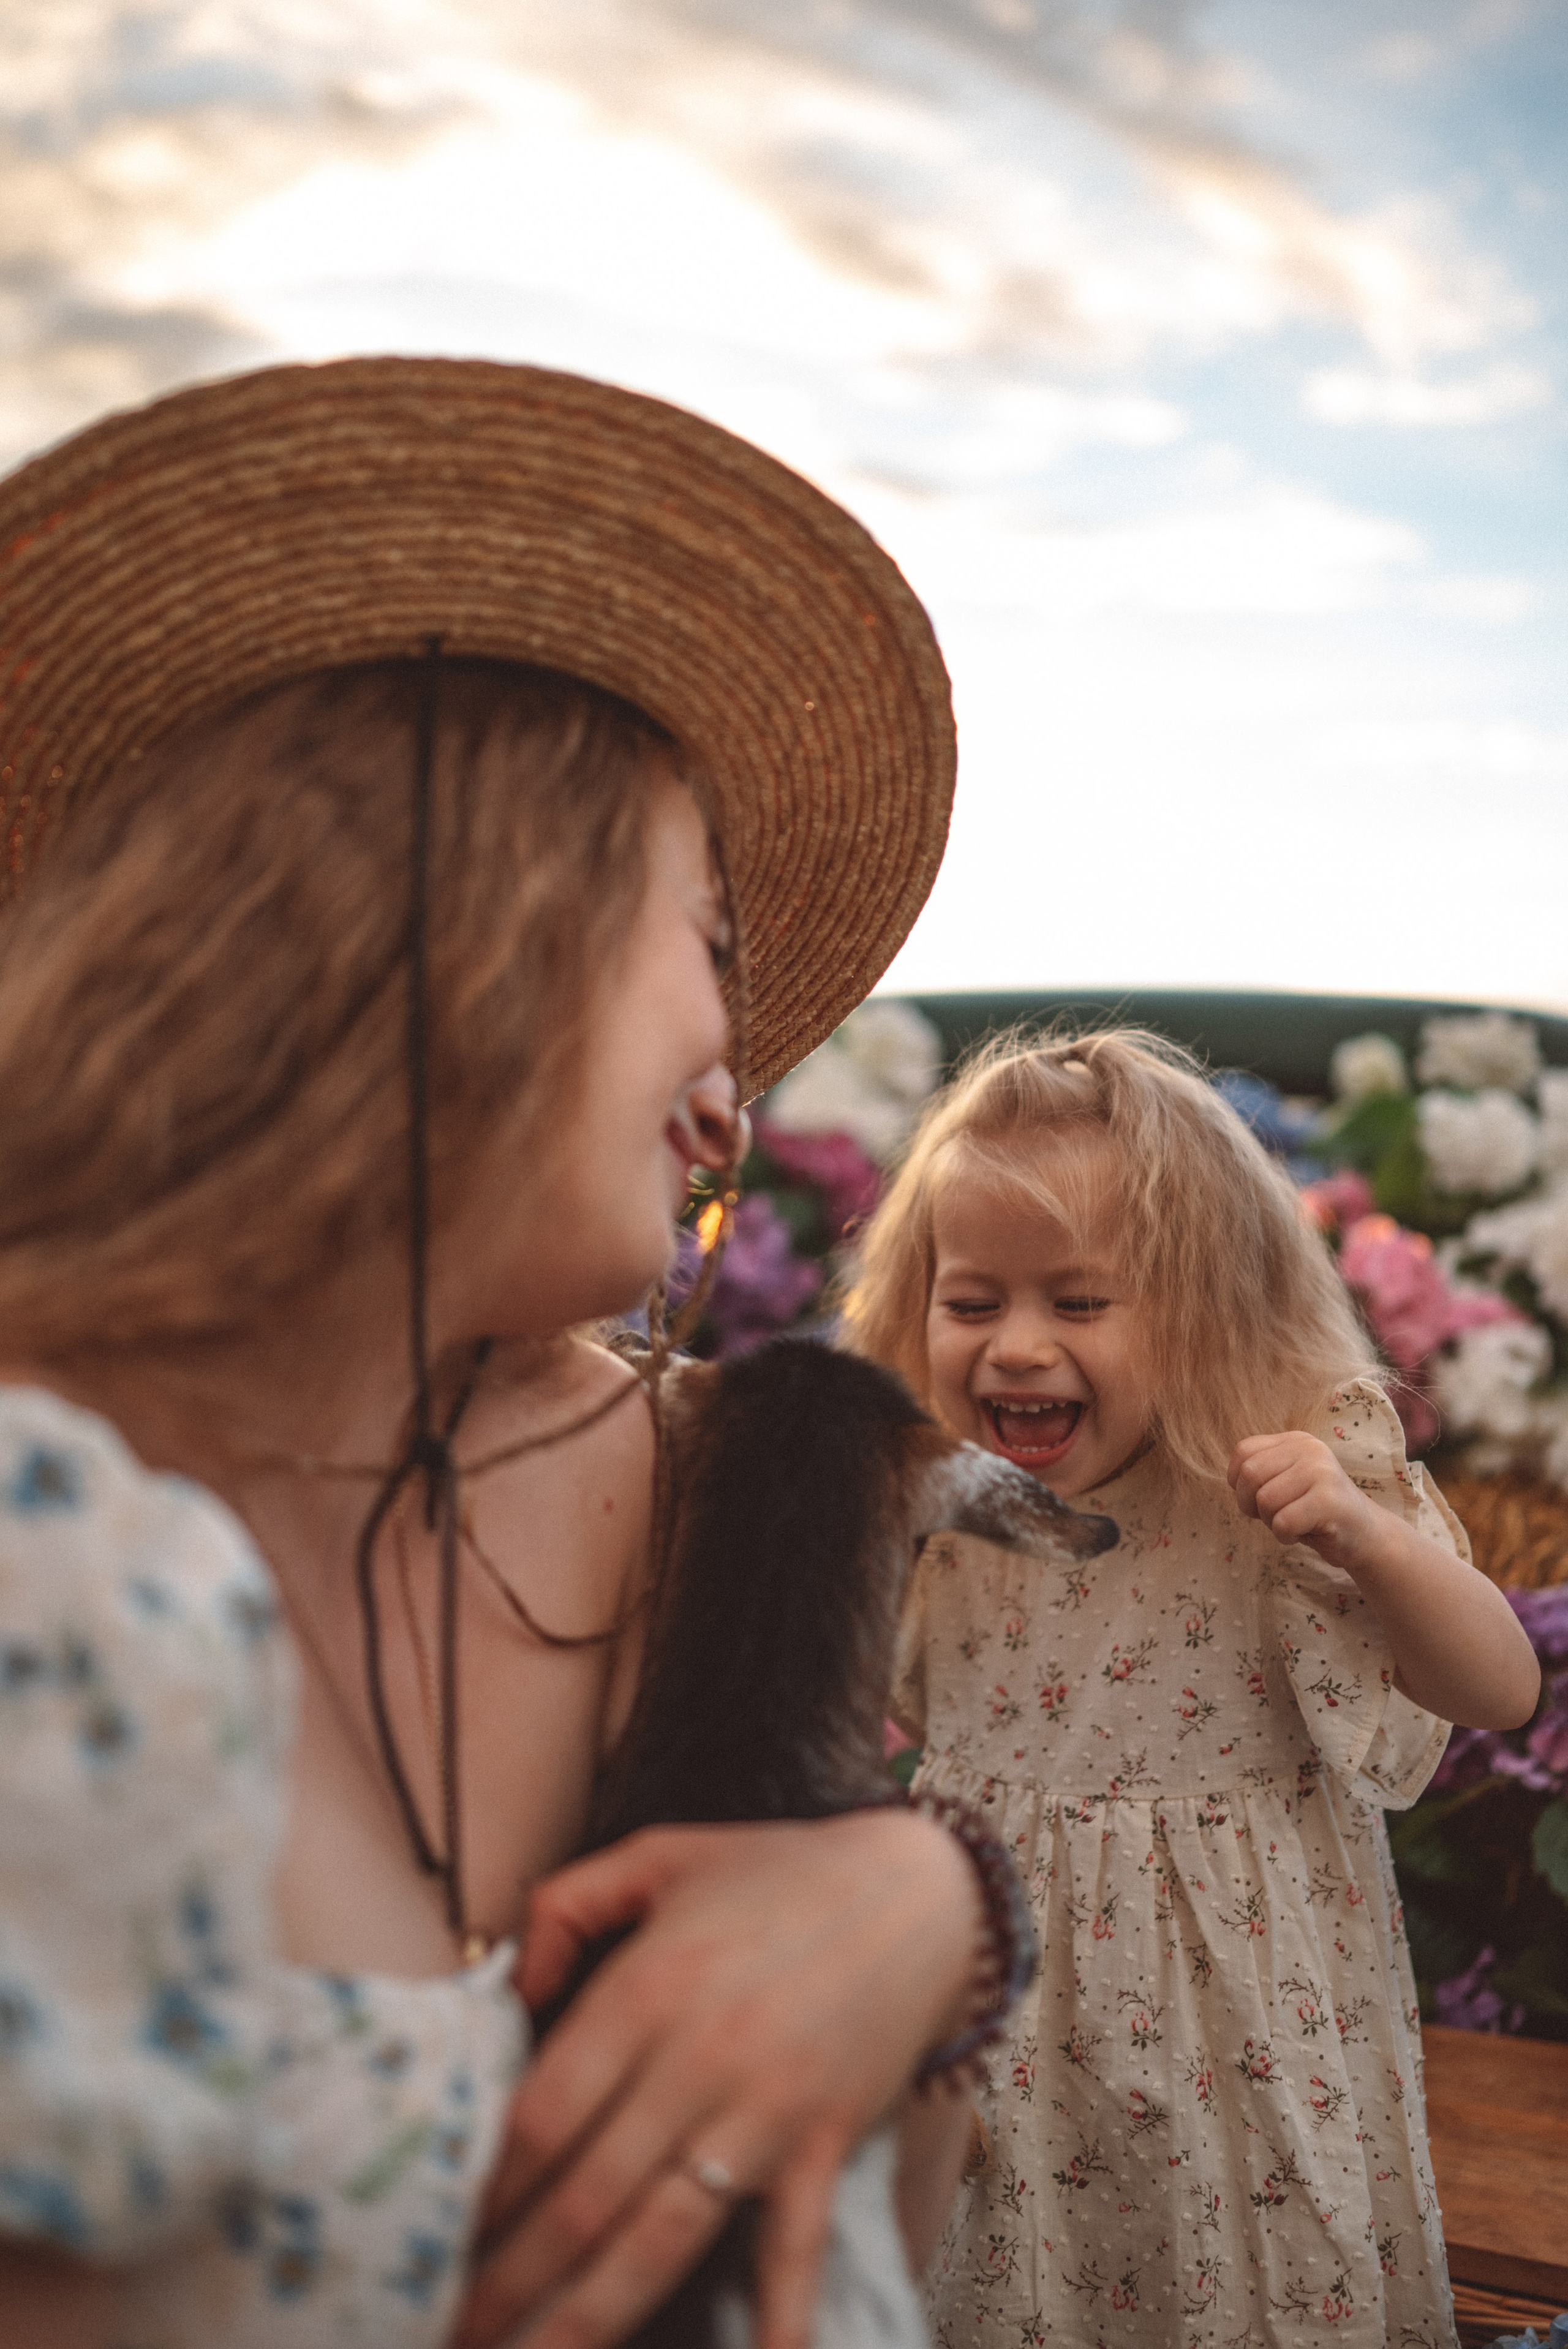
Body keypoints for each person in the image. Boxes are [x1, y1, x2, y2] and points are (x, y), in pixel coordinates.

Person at [0, 358, 1009, 2347]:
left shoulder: (731, 1480)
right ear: (470, 923)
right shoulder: (44, 1545)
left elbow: (869, 2231)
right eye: (707, 940)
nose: (740, 1089)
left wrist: (933, 1916)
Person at [844, 1027, 1541, 2349]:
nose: (1016, 1348)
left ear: (1202, 1303)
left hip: (1233, 2066)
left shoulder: (1276, 1491)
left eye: (1080, 1301)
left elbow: (1496, 1687)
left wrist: (1367, 1535)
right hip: (1001, 2058)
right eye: (972, 1300)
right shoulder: (938, 1509)